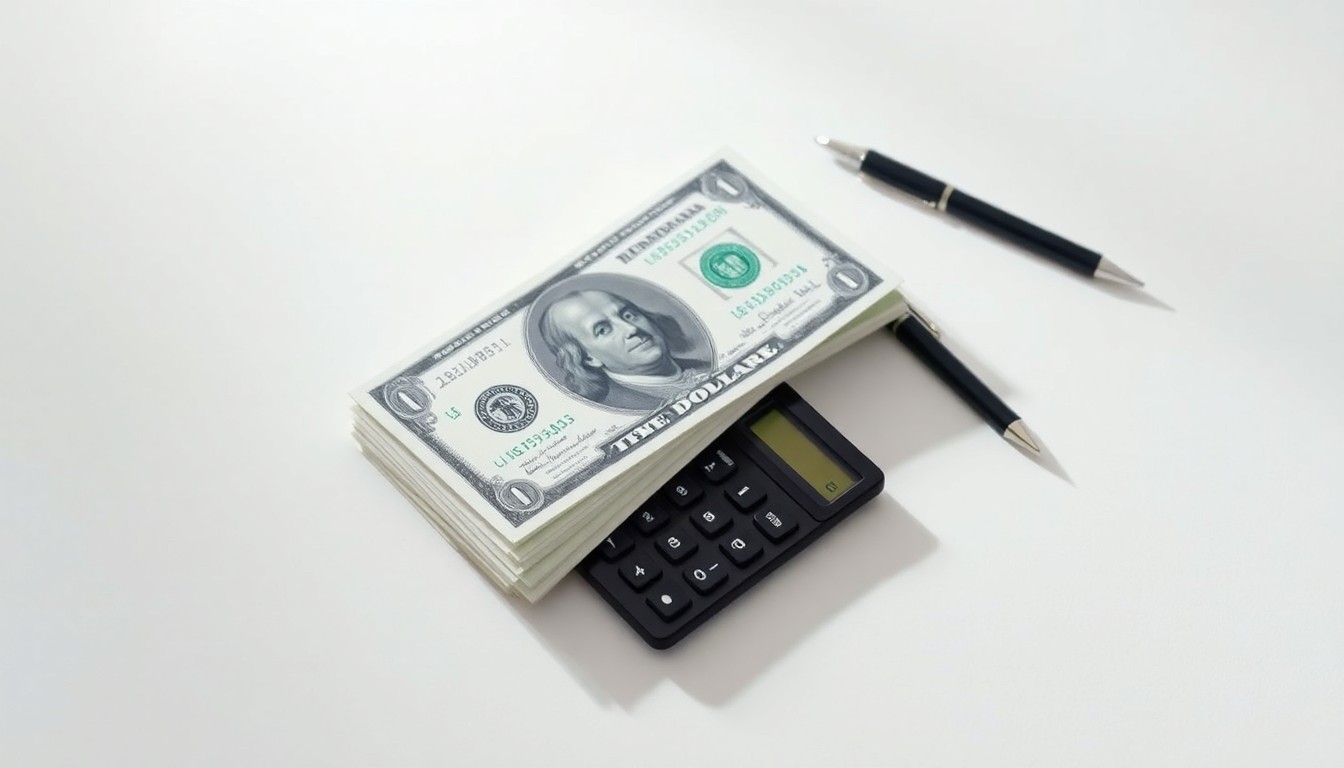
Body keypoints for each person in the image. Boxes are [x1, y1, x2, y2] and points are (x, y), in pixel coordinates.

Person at [538, 289, 710, 410]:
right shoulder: (617, 408)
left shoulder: (706, 365)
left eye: (628, 315)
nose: (631, 329)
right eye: (603, 330)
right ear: (588, 358)